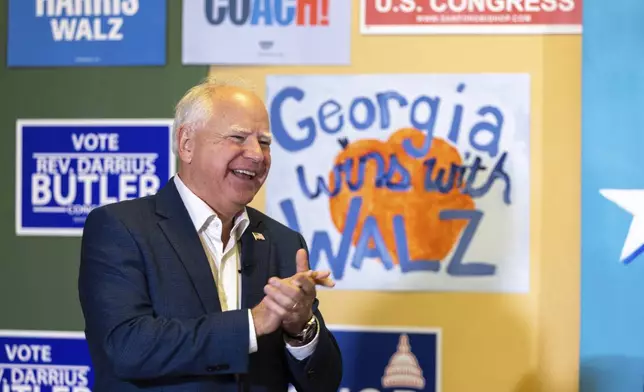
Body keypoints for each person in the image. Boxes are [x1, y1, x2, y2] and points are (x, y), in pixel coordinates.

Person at [77, 76, 343, 391]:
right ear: (186, 144)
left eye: (265, 142)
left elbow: (323, 383)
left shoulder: (284, 243)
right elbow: (127, 347)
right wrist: (252, 324)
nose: (257, 154)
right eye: (238, 137)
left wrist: (301, 328)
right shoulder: (121, 227)